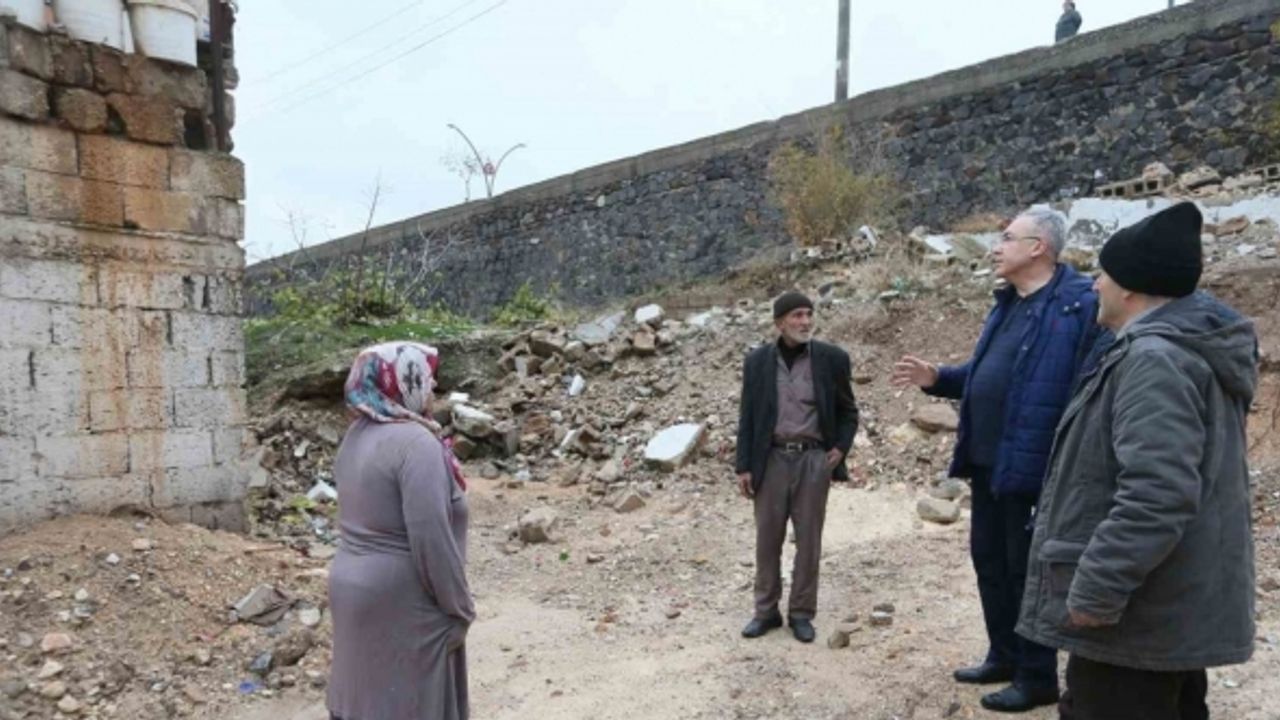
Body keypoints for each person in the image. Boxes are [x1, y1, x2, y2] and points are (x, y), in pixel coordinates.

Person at [1017, 202, 1257, 720]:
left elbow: (1157, 495)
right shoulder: (1173, 350)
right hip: (1163, 610)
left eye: (1102, 273)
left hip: (1135, 620)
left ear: (1129, 287)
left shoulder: (1154, 361)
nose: (1094, 285)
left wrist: (1096, 590)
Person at [892, 208, 1101, 713]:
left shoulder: (1078, 304)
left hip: (1034, 467)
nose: (994, 246)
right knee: (989, 562)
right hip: (989, 464)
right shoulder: (1007, 305)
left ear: (1038, 247)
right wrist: (939, 378)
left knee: (1025, 573)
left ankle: (1037, 677)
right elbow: (988, 374)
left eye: (1006, 237)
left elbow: (1089, 385)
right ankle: (1003, 656)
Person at [327, 342, 474, 720]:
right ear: (402, 381)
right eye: (426, 376)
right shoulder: (416, 443)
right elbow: (430, 537)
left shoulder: (357, 436)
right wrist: (458, 609)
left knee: (365, 700)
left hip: (351, 587)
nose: (435, 385)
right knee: (408, 704)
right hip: (403, 600)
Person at [736, 291, 859, 643]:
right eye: (796, 316)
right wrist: (744, 465)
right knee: (767, 539)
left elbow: (849, 411)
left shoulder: (832, 359)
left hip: (812, 460)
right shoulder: (757, 362)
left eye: (808, 314)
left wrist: (838, 449)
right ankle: (766, 612)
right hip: (771, 459)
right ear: (779, 323)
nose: (805, 321)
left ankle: (802, 613)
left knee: (809, 541)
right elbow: (748, 417)